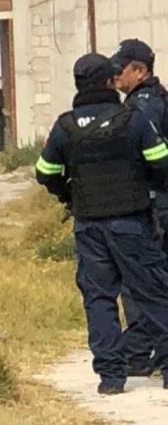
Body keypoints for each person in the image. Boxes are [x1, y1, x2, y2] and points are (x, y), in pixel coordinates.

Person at [36, 52, 168, 394]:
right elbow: (162, 164)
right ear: (110, 82)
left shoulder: (64, 127)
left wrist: (68, 194)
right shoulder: (133, 119)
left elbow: (45, 172)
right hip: (132, 223)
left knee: (98, 298)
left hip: (89, 226)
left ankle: (111, 378)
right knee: (153, 291)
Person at [112, 39, 167, 376]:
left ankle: (142, 354)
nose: (116, 74)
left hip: (153, 206)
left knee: (141, 282)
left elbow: (143, 158)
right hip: (159, 203)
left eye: (122, 67)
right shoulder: (153, 99)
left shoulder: (142, 107)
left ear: (140, 70)